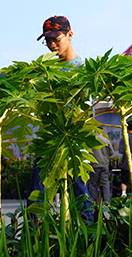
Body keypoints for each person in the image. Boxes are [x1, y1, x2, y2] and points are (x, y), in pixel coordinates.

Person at [31, 15, 93, 217]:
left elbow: (85, 110)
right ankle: (35, 235)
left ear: (70, 35)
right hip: (49, 141)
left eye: (56, 39)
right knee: (36, 198)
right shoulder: (46, 70)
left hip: (74, 143)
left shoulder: (83, 69)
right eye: (47, 41)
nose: (51, 45)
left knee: (81, 198)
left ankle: (89, 234)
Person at [88, 132, 112, 203]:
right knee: (105, 182)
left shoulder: (91, 140)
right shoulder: (106, 140)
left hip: (94, 164)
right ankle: (107, 201)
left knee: (93, 183)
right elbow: (111, 152)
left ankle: (95, 201)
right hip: (105, 164)